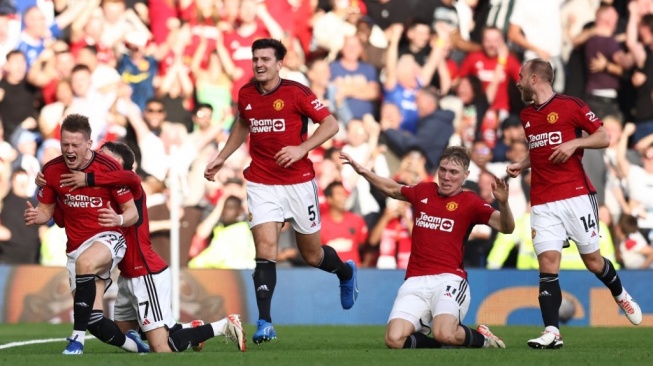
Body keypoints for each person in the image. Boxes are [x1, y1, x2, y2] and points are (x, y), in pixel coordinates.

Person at [204, 38, 358, 345]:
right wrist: (222, 156)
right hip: (262, 183)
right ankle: (265, 322)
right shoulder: (246, 93)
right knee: (265, 250)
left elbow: (330, 125)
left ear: (279, 64)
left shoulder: (296, 92)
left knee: (312, 255)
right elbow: (242, 125)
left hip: (299, 183)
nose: (259, 64)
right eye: (255, 59)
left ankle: (345, 273)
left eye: (265, 59)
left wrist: (302, 148)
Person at [48, 141, 247, 353]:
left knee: (160, 347)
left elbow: (130, 176)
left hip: (145, 271)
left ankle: (222, 326)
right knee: (126, 332)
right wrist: (49, 187)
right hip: (127, 275)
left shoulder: (131, 186)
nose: (98, 160)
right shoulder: (103, 191)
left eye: (104, 157)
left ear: (118, 165)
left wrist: (88, 177)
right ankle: (189, 330)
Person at [506, 58, 642, 350]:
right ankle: (552, 331)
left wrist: (575, 143)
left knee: (593, 261)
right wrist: (522, 163)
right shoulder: (526, 115)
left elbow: (603, 136)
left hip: (576, 195)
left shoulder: (571, 105)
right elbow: (540, 150)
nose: (516, 81)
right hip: (542, 201)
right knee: (547, 264)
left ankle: (621, 295)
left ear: (534, 79)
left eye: (520, 76)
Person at [340, 146, 514, 350]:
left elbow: (506, 227)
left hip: (449, 279)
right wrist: (363, 172)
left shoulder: (471, 202)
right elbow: (393, 189)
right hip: (415, 280)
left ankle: (483, 338)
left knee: (444, 332)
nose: (446, 177)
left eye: (453, 172)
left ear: (465, 175)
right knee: (394, 340)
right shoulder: (424, 190)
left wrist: (503, 204)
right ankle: (440, 347)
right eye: (443, 170)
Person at [24, 114, 141, 355]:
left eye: (75, 145)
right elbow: (46, 210)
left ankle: (76, 340)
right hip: (76, 245)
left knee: (86, 262)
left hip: (109, 237)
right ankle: (136, 346)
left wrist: (118, 219)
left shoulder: (107, 168)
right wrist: (38, 216)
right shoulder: (51, 170)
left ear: (88, 144)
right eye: (64, 144)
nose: (69, 150)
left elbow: (132, 213)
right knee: (92, 318)